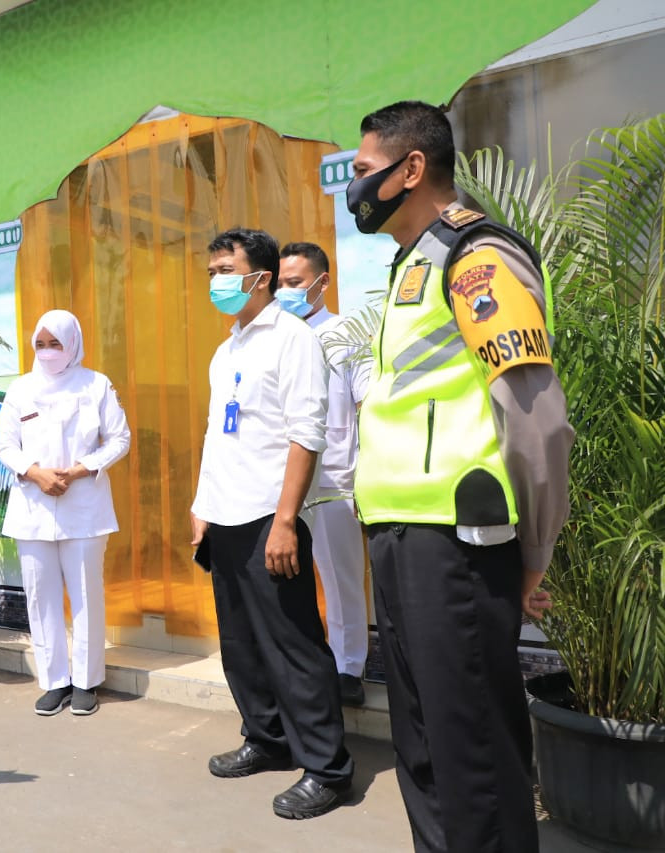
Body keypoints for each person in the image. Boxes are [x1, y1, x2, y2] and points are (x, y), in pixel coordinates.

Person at [347, 100, 574, 853]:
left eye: (361, 171)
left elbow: (536, 416)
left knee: (472, 755)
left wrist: (533, 551)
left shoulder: (476, 256)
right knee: (424, 751)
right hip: (403, 539)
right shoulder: (412, 263)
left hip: (457, 546)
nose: (354, 189)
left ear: (411, 169)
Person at [191, 227, 354, 819]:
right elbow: (217, 434)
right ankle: (267, 740)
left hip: (269, 515)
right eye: (210, 272)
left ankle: (328, 768)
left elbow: (305, 433)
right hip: (226, 514)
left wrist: (287, 520)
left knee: (294, 644)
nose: (216, 282)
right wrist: (202, 507)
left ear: (259, 275)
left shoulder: (293, 339)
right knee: (239, 643)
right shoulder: (227, 348)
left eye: (225, 270)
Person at [0, 309, 130, 716]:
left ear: (73, 344)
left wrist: (81, 468)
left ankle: (86, 682)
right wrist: (34, 473)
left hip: (84, 505)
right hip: (32, 508)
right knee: (41, 597)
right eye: (41, 343)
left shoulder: (96, 384)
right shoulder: (20, 388)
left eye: (56, 343)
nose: (49, 352)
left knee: (87, 595)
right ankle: (54, 682)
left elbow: (119, 438)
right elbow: (5, 444)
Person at [276, 242, 371, 707]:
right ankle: (306, 666)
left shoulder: (346, 334)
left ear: (322, 282)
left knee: (340, 577)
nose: (285, 292)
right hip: (284, 484)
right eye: (280, 284)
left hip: (334, 479)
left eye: (295, 283)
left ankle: (349, 667)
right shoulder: (275, 339)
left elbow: (365, 406)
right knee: (288, 580)